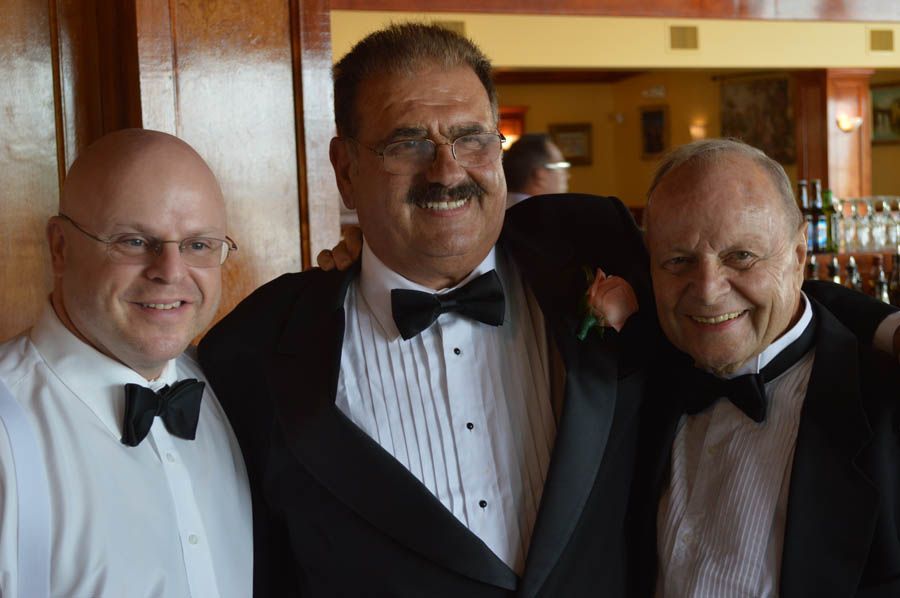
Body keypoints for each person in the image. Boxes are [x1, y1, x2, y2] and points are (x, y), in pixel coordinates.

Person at [199, 23, 657, 597]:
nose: (447, 171)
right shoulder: (255, 348)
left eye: (472, 139)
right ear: (346, 170)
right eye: (408, 144)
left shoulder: (596, 247)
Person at [630, 138, 900, 597]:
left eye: (741, 256)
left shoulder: (886, 412)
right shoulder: (632, 383)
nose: (709, 290)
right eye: (678, 261)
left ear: (798, 257)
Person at [0, 129, 252, 598]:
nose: (171, 271)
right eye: (134, 241)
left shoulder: (236, 386)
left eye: (198, 245)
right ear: (60, 247)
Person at [503, 133, 570, 209]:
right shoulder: (545, 216)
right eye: (561, 166)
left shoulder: (496, 211)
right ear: (540, 176)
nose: (567, 176)